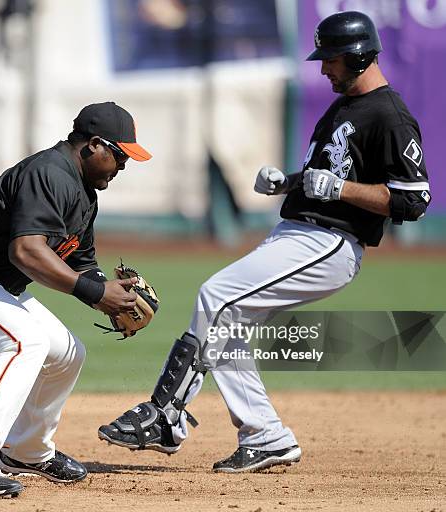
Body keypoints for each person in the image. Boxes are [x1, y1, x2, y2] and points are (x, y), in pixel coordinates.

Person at [98, 11, 431, 473]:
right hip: (298, 233)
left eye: (330, 59)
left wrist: (340, 190)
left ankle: (166, 415)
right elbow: (327, 176)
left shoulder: (390, 116)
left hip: (330, 242)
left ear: (357, 55)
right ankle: (265, 436)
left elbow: (414, 200)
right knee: (228, 323)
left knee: (216, 296)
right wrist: (290, 183)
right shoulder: (343, 107)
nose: (322, 68)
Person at [0, 102, 151, 497]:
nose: (122, 167)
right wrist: (94, 293)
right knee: (26, 342)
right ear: (94, 145)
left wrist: (113, 294)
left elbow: (82, 263)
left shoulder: (84, 192)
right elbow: (27, 252)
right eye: (119, 155)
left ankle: (26, 451)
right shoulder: (49, 173)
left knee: (67, 353)